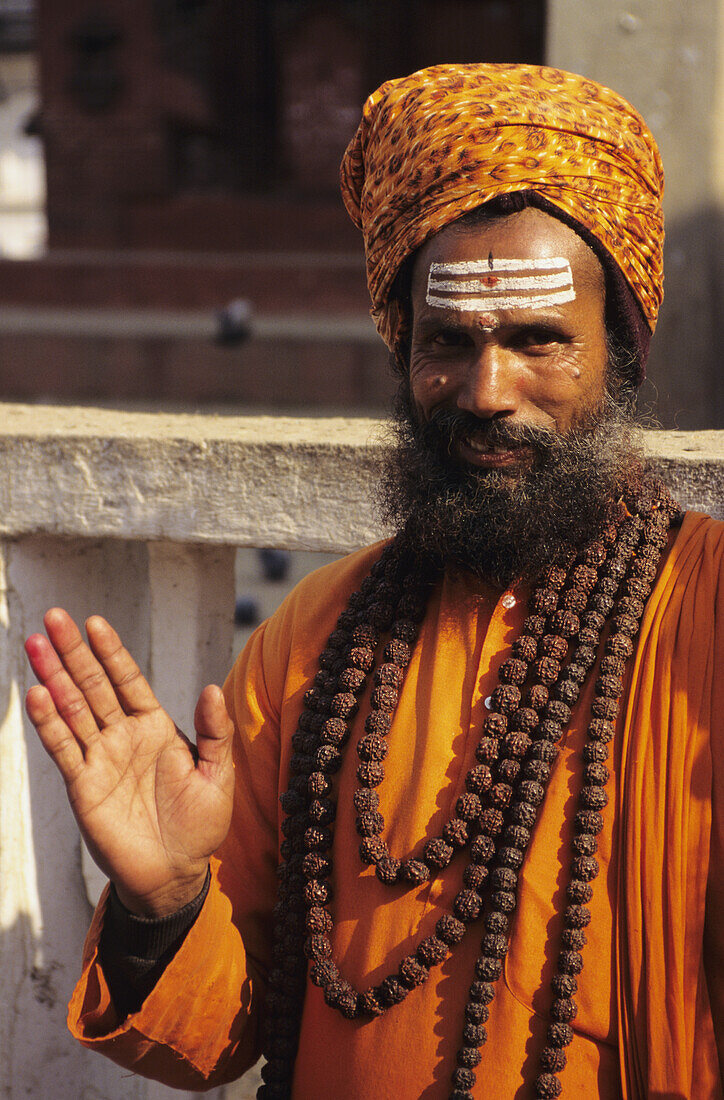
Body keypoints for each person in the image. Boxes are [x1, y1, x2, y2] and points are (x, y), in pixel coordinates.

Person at [24, 64, 723, 1100]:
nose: (487, 392)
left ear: (618, 348)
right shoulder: (316, 639)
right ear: (403, 350)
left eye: (538, 341)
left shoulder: (703, 619)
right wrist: (164, 898)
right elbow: (218, 1035)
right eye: (448, 343)